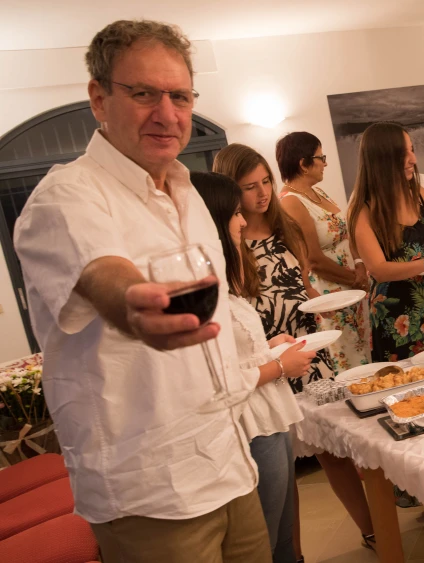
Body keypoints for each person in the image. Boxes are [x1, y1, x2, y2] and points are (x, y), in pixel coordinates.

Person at [12, 20, 270, 562]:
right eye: (144, 94)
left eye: (180, 96)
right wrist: (135, 305)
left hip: (229, 461)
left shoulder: (188, 192)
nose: (167, 114)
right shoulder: (65, 197)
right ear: (99, 98)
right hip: (151, 493)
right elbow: (102, 271)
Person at [191, 171, 317, 563]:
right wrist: (279, 366)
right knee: (264, 539)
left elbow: (237, 352)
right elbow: (219, 378)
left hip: (269, 414)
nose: (243, 221)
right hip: (250, 424)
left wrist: (269, 347)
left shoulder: (223, 282)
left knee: (282, 531)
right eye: (234, 213)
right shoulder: (201, 293)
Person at [213, 143, 337, 391]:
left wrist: (321, 303)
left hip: (306, 345)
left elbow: (303, 285)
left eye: (266, 182)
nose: (263, 193)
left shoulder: (286, 228)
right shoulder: (228, 243)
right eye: (250, 187)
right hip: (268, 360)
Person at [348, 121, 424, 362]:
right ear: (382, 159)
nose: (413, 159)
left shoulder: (421, 195)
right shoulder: (363, 210)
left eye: (412, 150)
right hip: (396, 315)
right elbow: (379, 270)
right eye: (404, 153)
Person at [276, 131, 372, 373]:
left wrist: (360, 263)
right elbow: (313, 259)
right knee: (347, 359)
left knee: (363, 352)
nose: (325, 163)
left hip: (351, 285)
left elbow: (345, 234)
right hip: (330, 290)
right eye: (321, 157)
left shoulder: (318, 193)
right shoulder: (290, 201)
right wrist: (355, 279)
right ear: (303, 164)